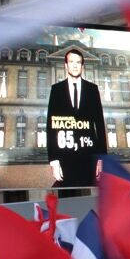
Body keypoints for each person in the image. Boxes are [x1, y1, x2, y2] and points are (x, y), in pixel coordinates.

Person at [45, 49, 106, 187]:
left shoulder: (92, 89)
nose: (74, 65)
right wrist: (53, 160)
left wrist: (102, 158)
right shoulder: (56, 90)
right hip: (65, 155)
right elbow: (51, 126)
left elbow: (100, 125)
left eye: (78, 62)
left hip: (89, 156)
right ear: (66, 65)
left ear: (82, 66)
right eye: (71, 62)